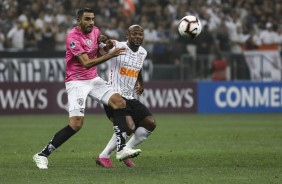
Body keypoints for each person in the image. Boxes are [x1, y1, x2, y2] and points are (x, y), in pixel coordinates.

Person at [32, 8, 141, 169]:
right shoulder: (72, 37)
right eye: (87, 19)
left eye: (92, 19)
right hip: (76, 81)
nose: (91, 22)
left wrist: (106, 46)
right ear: (79, 21)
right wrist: (110, 54)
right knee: (76, 124)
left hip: (93, 79)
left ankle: (121, 148)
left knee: (119, 102)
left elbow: (98, 52)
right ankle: (42, 154)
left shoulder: (95, 31)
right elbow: (86, 62)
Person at [95, 25, 157, 168]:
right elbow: (102, 49)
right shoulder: (117, 45)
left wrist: (140, 82)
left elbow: (138, 66)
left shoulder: (143, 52)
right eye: (134, 34)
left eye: (140, 34)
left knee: (150, 123)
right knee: (129, 127)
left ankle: (125, 151)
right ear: (126, 36)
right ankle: (103, 156)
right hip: (113, 96)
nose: (138, 36)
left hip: (129, 97)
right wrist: (103, 42)